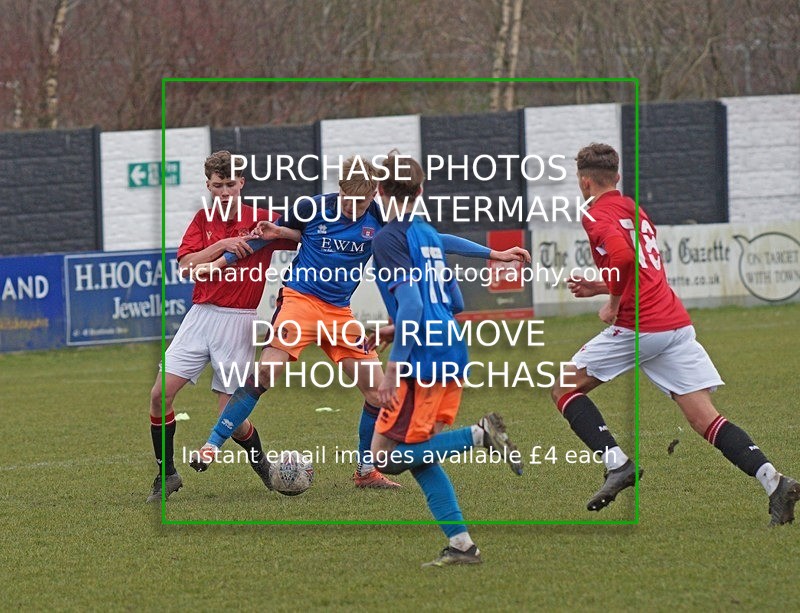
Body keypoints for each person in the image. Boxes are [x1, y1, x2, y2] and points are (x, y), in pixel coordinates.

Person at [188, 155, 531, 490]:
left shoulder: (380, 217)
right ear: (339, 190)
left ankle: (366, 471)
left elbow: (435, 241)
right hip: (300, 301)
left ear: (374, 194)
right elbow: (267, 236)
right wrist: (222, 262)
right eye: (348, 200)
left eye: (361, 201)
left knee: (379, 394)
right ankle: (213, 444)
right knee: (265, 372)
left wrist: (494, 254)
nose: (353, 208)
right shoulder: (312, 207)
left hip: (340, 313)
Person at [550, 142, 799, 525]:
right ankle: (775, 482)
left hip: (642, 325)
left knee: (563, 386)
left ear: (584, 183)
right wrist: (601, 287)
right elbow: (643, 268)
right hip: (674, 324)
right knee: (706, 420)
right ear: (616, 177)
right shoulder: (634, 208)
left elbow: (625, 259)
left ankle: (617, 464)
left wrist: (612, 303)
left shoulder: (595, 214)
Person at [370, 151, 523, 567]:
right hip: (450, 345)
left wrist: (392, 367)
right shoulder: (425, 232)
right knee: (420, 456)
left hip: (422, 356)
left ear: (379, 190)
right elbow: (452, 299)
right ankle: (461, 544)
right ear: (421, 191)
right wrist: (495, 255)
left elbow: (414, 304)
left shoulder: (387, 239)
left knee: (383, 456)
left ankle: (480, 435)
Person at [146, 150, 299, 503]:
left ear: (242, 182)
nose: (225, 191)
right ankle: (166, 474)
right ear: (209, 186)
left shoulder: (261, 220)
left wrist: (281, 232)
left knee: (230, 417)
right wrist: (221, 245)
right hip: (200, 316)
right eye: (219, 185)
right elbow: (184, 264)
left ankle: (262, 464)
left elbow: (301, 237)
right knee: (158, 394)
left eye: (231, 184)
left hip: (238, 321)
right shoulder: (203, 220)